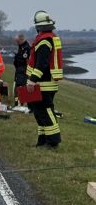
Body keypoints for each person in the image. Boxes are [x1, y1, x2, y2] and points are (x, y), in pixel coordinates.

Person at [26, 11, 63, 148]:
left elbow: (41, 64)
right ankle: (42, 141)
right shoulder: (50, 38)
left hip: (43, 83)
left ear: (38, 27)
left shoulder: (44, 41)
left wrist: (32, 80)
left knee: (46, 111)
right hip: (45, 83)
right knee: (39, 113)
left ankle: (53, 142)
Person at [13, 33, 31, 106]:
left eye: (17, 41)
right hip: (20, 70)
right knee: (18, 86)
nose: (17, 43)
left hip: (23, 70)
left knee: (21, 87)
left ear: (21, 39)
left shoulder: (26, 48)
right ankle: (17, 103)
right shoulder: (21, 47)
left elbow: (22, 60)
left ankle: (20, 104)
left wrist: (16, 58)